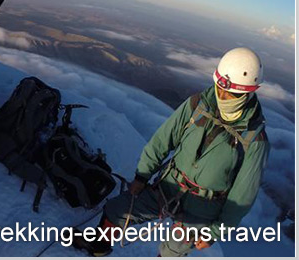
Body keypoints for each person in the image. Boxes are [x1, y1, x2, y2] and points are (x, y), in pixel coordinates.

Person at [72, 47, 270, 257]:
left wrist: (216, 231)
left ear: (248, 92)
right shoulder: (198, 105)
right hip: (169, 184)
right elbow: (163, 139)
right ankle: (98, 246)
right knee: (119, 209)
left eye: (228, 92)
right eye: (219, 87)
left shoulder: (254, 140)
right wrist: (142, 175)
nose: (221, 95)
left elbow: (242, 196)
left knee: (172, 252)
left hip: (204, 206)